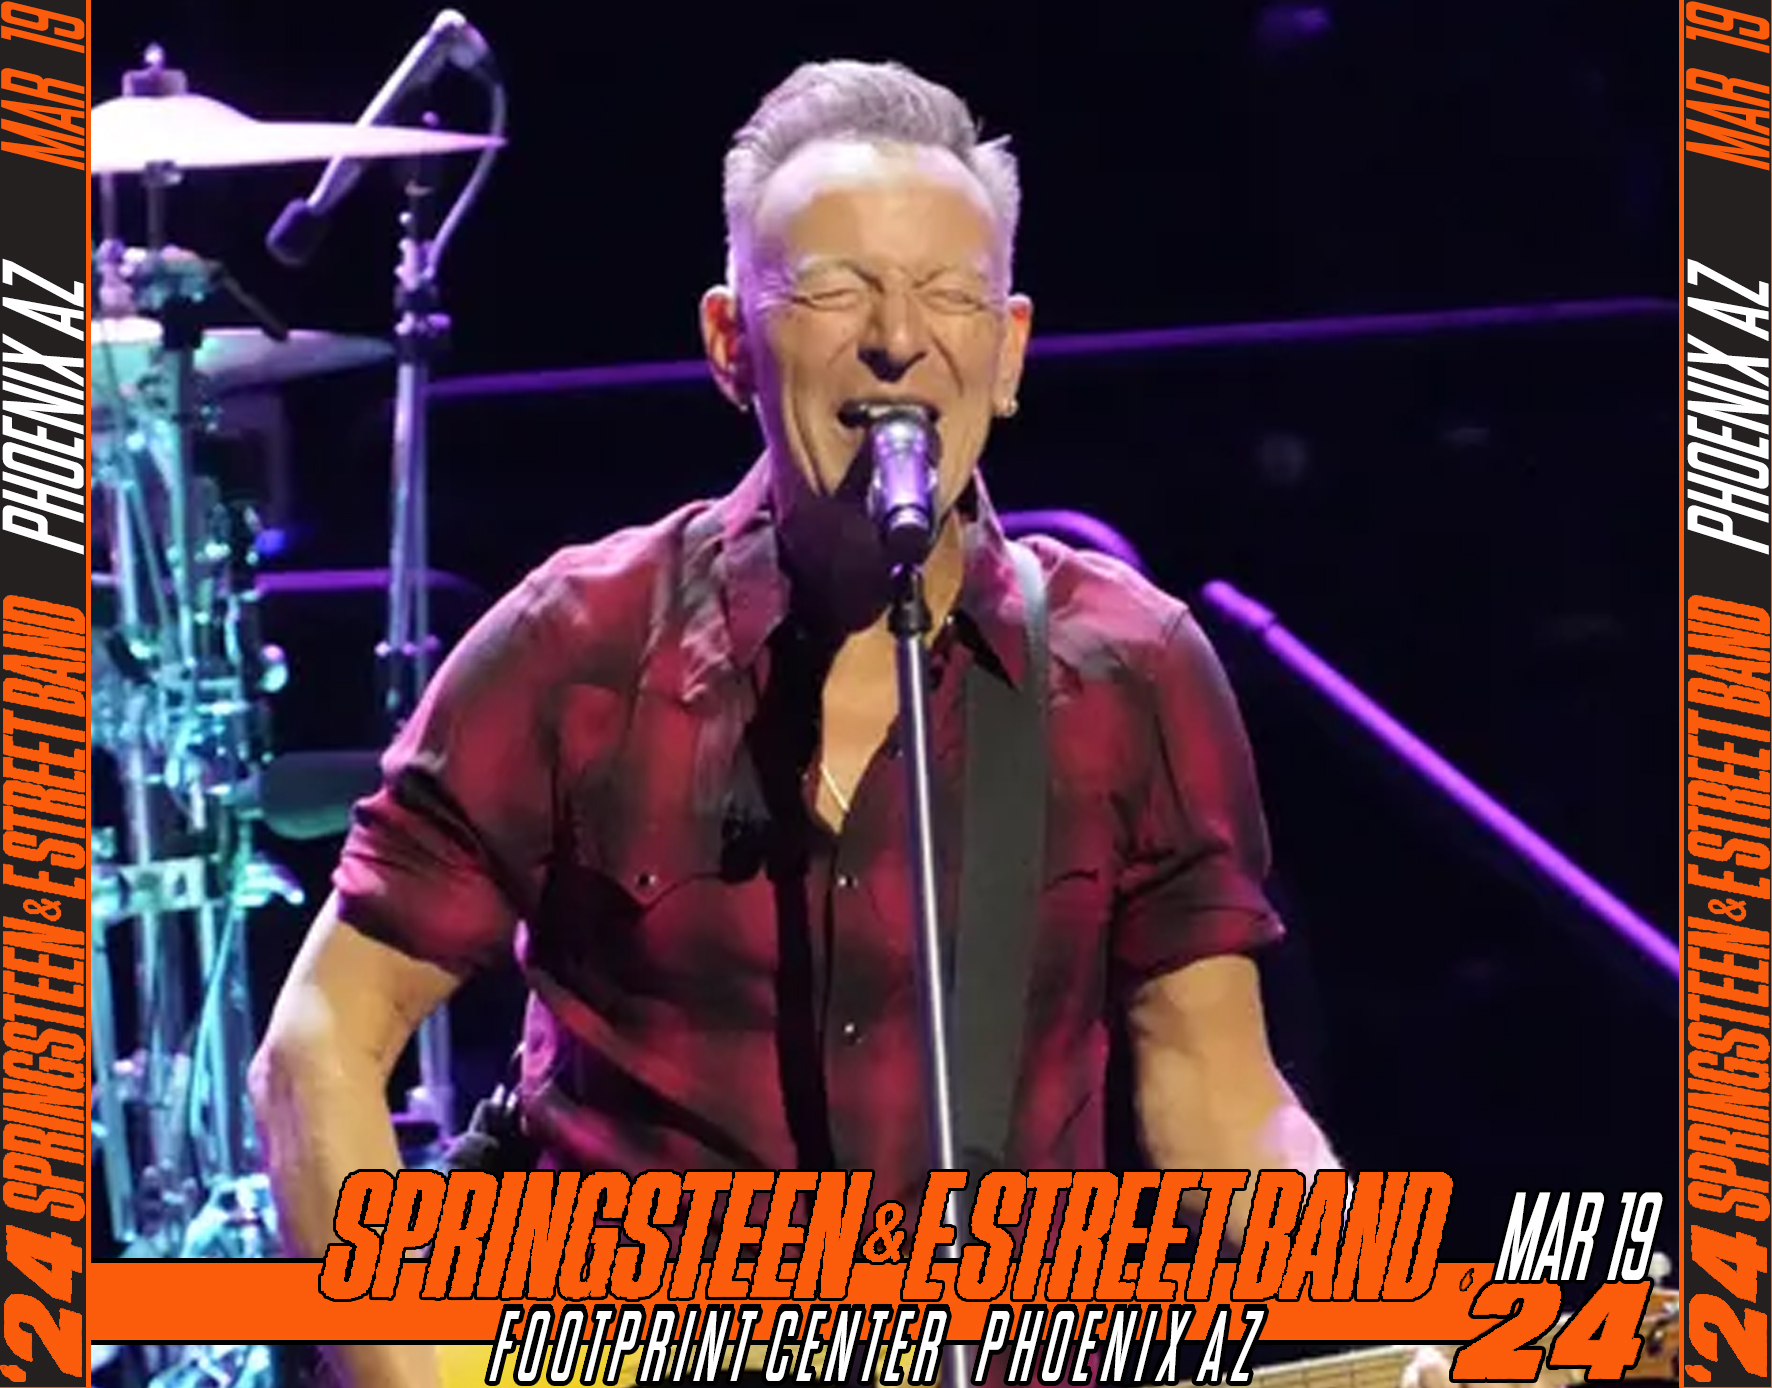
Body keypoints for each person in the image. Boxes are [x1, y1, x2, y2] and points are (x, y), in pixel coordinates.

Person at [249, 58, 1340, 1388]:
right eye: (835, 290)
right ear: (730, 344)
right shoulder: (578, 646)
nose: (899, 338)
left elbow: (1218, 1093)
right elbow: (321, 1042)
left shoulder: (1128, 671)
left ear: (1007, 353)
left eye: (950, 294)